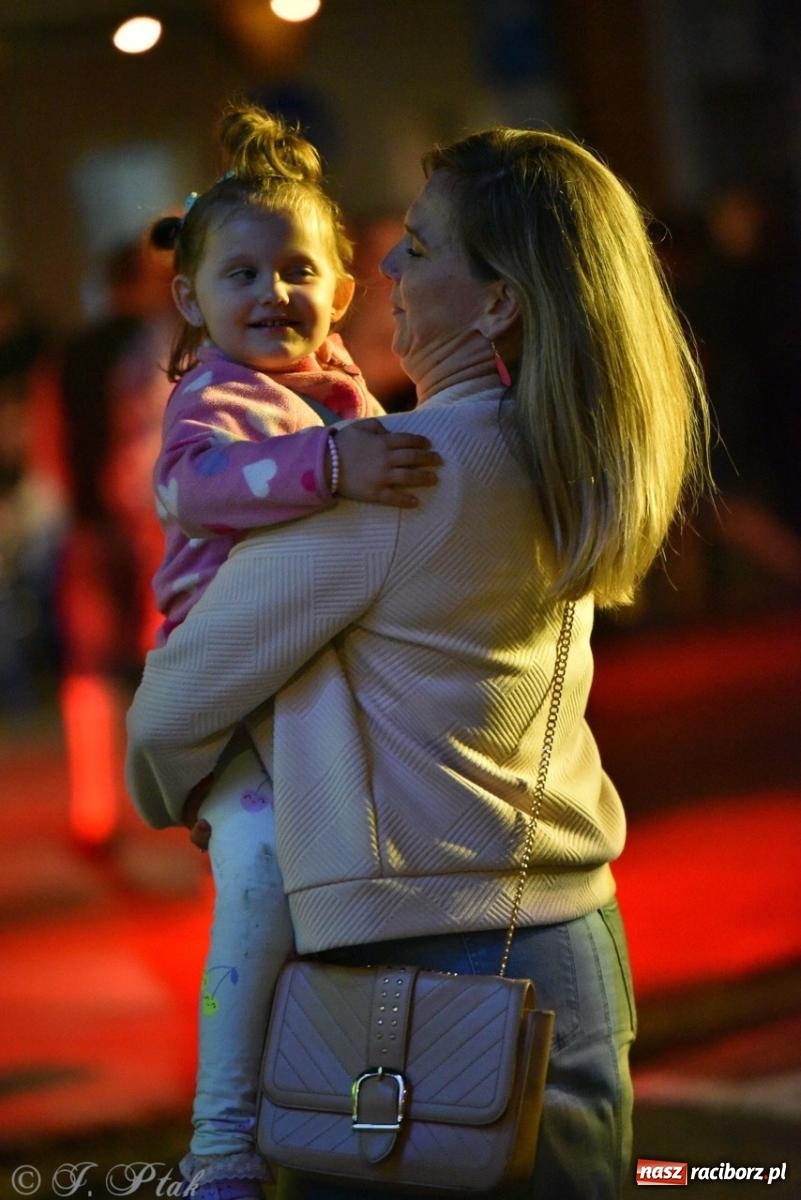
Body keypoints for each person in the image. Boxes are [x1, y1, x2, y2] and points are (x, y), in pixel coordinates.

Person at [127, 125, 710, 1200]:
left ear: (498, 301)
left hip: (425, 969)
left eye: (425, 250)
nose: (388, 263)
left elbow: (168, 714)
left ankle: (219, 1151)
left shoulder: (402, 474)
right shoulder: (553, 450)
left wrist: (194, 798)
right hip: (571, 944)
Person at [136, 103, 441, 1198]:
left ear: (345, 292)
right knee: (261, 876)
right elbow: (191, 488)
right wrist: (331, 472)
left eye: (299, 270)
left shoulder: (346, 393)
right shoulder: (211, 398)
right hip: (239, 716)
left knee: (352, 904)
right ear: (191, 298)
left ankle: (359, 1107)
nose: (274, 294)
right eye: (243, 275)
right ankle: (220, 1139)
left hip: (326, 705)